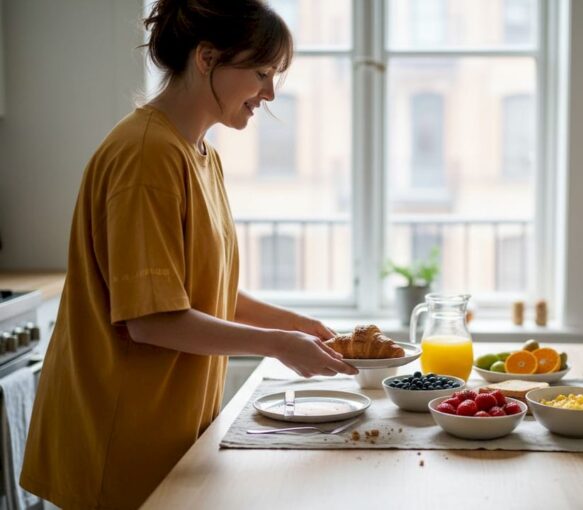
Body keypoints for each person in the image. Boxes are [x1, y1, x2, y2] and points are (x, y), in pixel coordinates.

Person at [20, 1, 357, 508]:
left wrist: (302, 327)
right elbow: (152, 320)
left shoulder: (201, 154)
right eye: (261, 72)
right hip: (120, 443)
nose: (269, 93)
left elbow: (204, 290)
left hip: (166, 435)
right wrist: (279, 344)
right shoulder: (145, 155)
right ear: (206, 58)